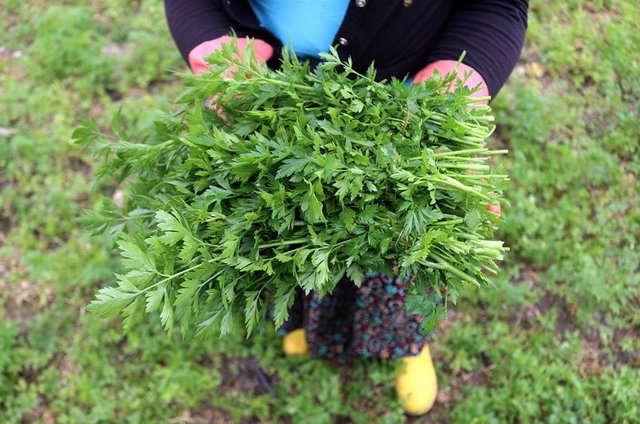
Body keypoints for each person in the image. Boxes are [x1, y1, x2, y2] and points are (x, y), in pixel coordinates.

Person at [164, 0, 528, 416]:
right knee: (289, 236)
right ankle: (301, 323)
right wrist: (207, 39)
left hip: (408, 106)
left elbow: (498, 6)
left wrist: (459, 84)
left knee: (401, 246)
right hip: (268, 94)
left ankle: (406, 343)